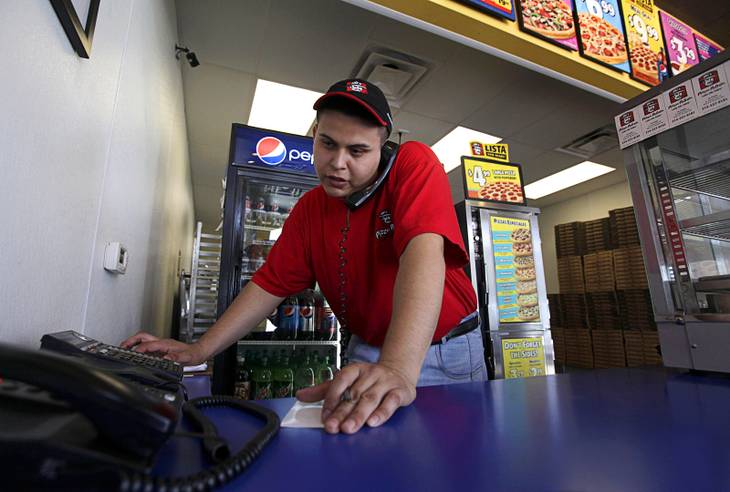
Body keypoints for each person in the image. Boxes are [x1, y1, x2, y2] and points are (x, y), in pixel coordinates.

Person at [122, 78, 487, 434]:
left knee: (446, 463)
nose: (337, 163)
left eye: (357, 151)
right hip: (367, 349)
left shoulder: (413, 162)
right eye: (327, 143)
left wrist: (398, 368)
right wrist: (200, 349)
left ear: (382, 147)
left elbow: (422, 255)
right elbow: (269, 283)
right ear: (314, 134)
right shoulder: (310, 209)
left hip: (442, 350)